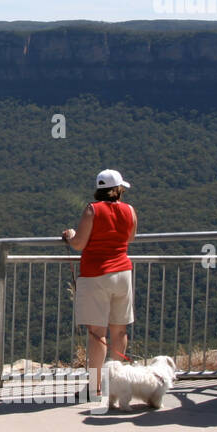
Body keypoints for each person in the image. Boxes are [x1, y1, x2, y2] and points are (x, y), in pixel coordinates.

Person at [62, 170, 138, 400]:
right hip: (123, 273)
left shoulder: (92, 210)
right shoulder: (130, 210)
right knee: (120, 329)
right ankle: (115, 384)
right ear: (119, 189)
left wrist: (70, 235)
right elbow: (130, 238)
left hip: (96, 274)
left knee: (97, 334)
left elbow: (79, 243)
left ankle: (94, 389)